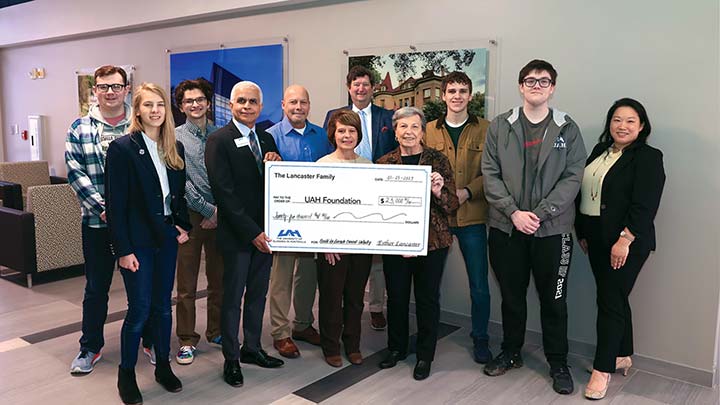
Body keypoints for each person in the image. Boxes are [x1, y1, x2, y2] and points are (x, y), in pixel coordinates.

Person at [481, 59, 586, 395]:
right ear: (520, 86)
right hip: (506, 228)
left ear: (552, 87)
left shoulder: (567, 128)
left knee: (554, 301)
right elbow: (490, 173)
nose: (536, 86)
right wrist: (514, 212)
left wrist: (539, 213)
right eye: (530, 80)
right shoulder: (500, 125)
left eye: (543, 81)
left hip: (552, 231)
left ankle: (558, 362)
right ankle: (511, 352)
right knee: (511, 297)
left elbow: (573, 177)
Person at [105, 83, 191, 405]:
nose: (155, 110)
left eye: (160, 105)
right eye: (148, 105)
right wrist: (123, 250)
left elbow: (176, 195)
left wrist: (181, 226)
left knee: (162, 308)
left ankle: (163, 367)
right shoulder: (123, 149)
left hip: (165, 238)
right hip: (137, 243)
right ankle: (126, 373)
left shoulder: (174, 148)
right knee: (139, 309)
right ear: (137, 111)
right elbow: (116, 205)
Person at [575, 98, 665, 400]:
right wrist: (582, 231)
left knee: (610, 302)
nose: (622, 126)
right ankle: (623, 353)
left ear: (641, 126)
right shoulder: (600, 152)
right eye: (616, 119)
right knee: (613, 297)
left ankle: (603, 371)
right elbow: (585, 192)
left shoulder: (649, 157)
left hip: (625, 243)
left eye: (629, 120)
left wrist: (625, 239)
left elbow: (645, 204)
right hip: (596, 239)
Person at [205, 80, 285, 388]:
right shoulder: (219, 140)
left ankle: (253, 348)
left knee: (257, 296)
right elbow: (223, 194)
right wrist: (253, 232)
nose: (247, 106)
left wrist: (278, 163)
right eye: (241, 101)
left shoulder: (266, 139)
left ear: (261, 107)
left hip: (266, 235)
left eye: (253, 102)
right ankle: (231, 358)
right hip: (239, 236)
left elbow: (274, 187)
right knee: (232, 299)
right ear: (231, 105)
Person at [376, 107, 459, 381]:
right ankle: (396, 348)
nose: (409, 132)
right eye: (403, 127)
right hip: (395, 244)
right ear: (395, 131)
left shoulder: (438, 160)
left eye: (414, 127)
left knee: (426, 299)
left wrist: (438, 191)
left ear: (423, 131)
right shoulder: (384, 163)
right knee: (396, 297)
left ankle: (425, 354)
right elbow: (377, 206)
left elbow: (452, 205)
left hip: (432, 244)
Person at [66, 65, 131, 374]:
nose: (110, 92)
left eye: (116, 86)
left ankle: (145, 341)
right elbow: (75, 174)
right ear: (95, 90)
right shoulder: (79, 128)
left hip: (135, 227)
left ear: (126, 89)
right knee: (96, 289)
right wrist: (104, 209)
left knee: (140, 289)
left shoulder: (140, 124)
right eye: (103, 86)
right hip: (97, 224)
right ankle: (90, 347)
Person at [424, 71, 493, 363]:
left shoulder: (487, 129)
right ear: (443, 95)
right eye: (451, 90)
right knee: (430, 285)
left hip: (472, 216)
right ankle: (427, 341)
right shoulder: (427, 130)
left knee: (479, 285)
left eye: (463, 91)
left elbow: (493, 170)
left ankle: (480, 339)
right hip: (436, 218)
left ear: (470, 95)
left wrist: (468, 192)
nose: (457, 96)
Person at [324, 65, 398, 331]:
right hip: (342, 193)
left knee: (373, 258)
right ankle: (343, 310)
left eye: (366, 84)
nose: (361, 88)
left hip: (374, 194)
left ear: (372, 87)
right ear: (349, 87)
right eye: (356, 84)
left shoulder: (387, 116)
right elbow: (327, 152)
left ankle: (376, 307)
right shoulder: (335, 116)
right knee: (343, 258)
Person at [266, 85, 332, 358]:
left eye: (303, 102)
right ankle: (280, 333)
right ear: (283, 104)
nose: (298, 107)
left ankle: (303, 324)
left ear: (309, 105)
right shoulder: (269, 136)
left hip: (314, 219)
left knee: (308, 276)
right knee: (281, 278)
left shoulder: (322, 136)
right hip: (284, 220)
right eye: (293, 102)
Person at [315, 109, 373, 367]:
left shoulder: (369, 166)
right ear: (333, 134)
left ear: (358, 135)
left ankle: (353, 344)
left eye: (352, 130)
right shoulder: (322, 165)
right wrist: (325, 241)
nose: (347, 135)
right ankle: (330, 346)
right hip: (332, 247)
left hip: (361, 245)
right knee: (331, 297)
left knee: (355, 297)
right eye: (341, 130)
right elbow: (316, 209)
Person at [173, 78, 223, 365]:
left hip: (220, 216)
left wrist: (219, 213)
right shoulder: (175, 137)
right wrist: (207, 211)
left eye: (200, 99)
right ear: (181, 106)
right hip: (191, 217)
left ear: (207, 102)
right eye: (189, 101)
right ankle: (187, 338)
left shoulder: (221, 134)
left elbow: (228, 178)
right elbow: (182, 182)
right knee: (186, 285)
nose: (195, 104)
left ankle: (215, 331)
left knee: (219, 280)